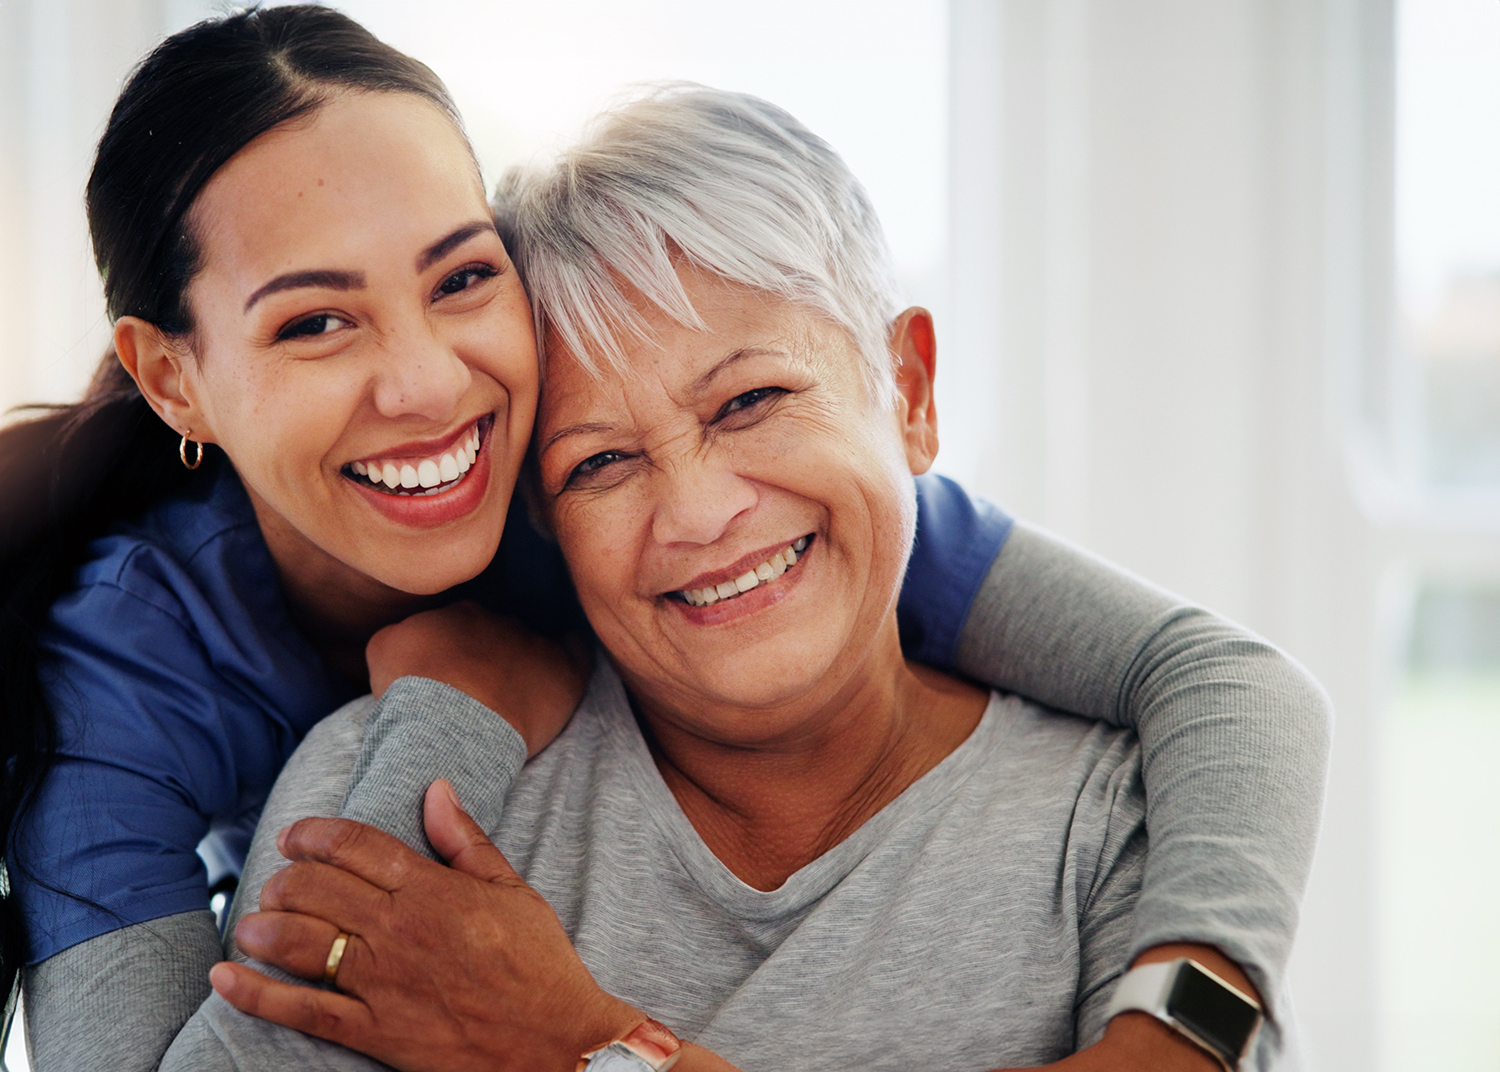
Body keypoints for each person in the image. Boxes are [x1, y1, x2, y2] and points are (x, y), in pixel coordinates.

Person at [0, 10, 1328, 1071]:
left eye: (461, 276)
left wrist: (587, 1050)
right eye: (313, 321)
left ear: (909, 392)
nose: (428, 384)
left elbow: (1226, 682)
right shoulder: (157, 685)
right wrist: (451, 721)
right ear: (172, 379)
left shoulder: (1088, 800)